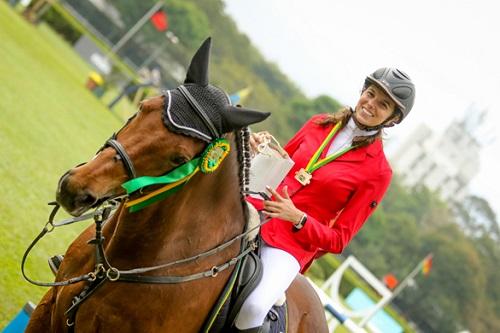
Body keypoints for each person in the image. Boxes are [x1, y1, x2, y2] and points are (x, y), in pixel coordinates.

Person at [233, 68, 416, 332]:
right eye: (370, 94)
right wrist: (259, 148)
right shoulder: (318, 123)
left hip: (290, 244)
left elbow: (339, 239)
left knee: (255, 307)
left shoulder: (378, 172)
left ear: (392, 119)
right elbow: (282, 164)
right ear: (362, 92)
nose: (371, 104)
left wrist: (298, 218)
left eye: (383, 104)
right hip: (254, 208)